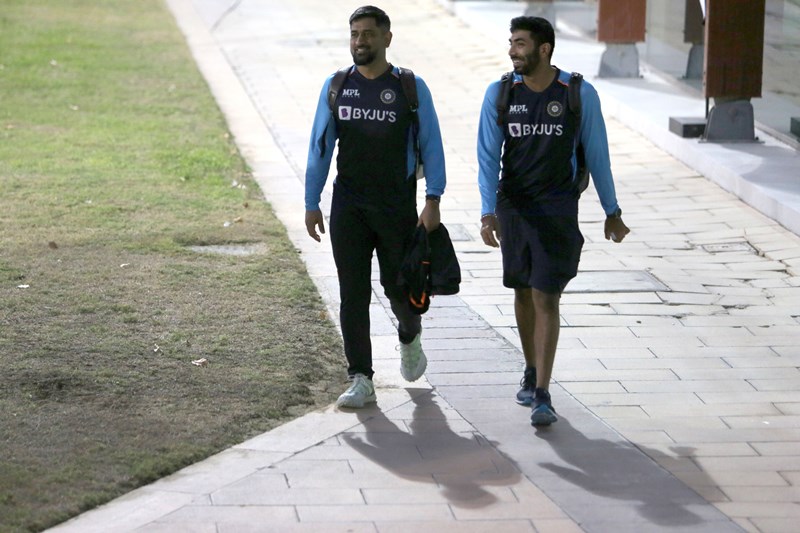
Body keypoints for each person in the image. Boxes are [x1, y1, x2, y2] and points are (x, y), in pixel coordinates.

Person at [477, 16, 629, 426]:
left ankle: (543, 392)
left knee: (546, 294)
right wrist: (487, 211)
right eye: (511, 42)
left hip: (558, 207)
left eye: (521, 43)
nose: (512, 50)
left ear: (544, 49)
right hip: (514, 207)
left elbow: (598, 154)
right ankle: (530, 370)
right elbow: (488, 158)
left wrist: (612, 211)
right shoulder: (501, 93)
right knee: (523, 291)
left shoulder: (577, 93)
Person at [304, 6, 446, 408]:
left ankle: (409, 335)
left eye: (368, 33)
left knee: (397, 287)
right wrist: (311, 201)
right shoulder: (337, 85)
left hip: (396, 203)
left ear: (387, 38)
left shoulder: (408, 88)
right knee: (353, 293)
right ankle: (361, 377)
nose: (360, 41)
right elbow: (320, 146)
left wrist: (432, 199)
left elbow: (433, 145)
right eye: (354, 34)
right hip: (349, 204)